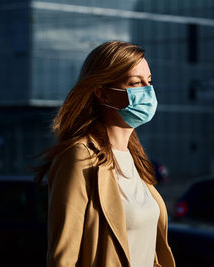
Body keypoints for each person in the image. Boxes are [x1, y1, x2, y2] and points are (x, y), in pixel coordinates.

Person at [34, 41, 175, 267]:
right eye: (134, 83)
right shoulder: (79, 157)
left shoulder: (135, 158)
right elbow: (63, 259)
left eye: (148, 81)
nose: (147, 91)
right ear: (102, 93)